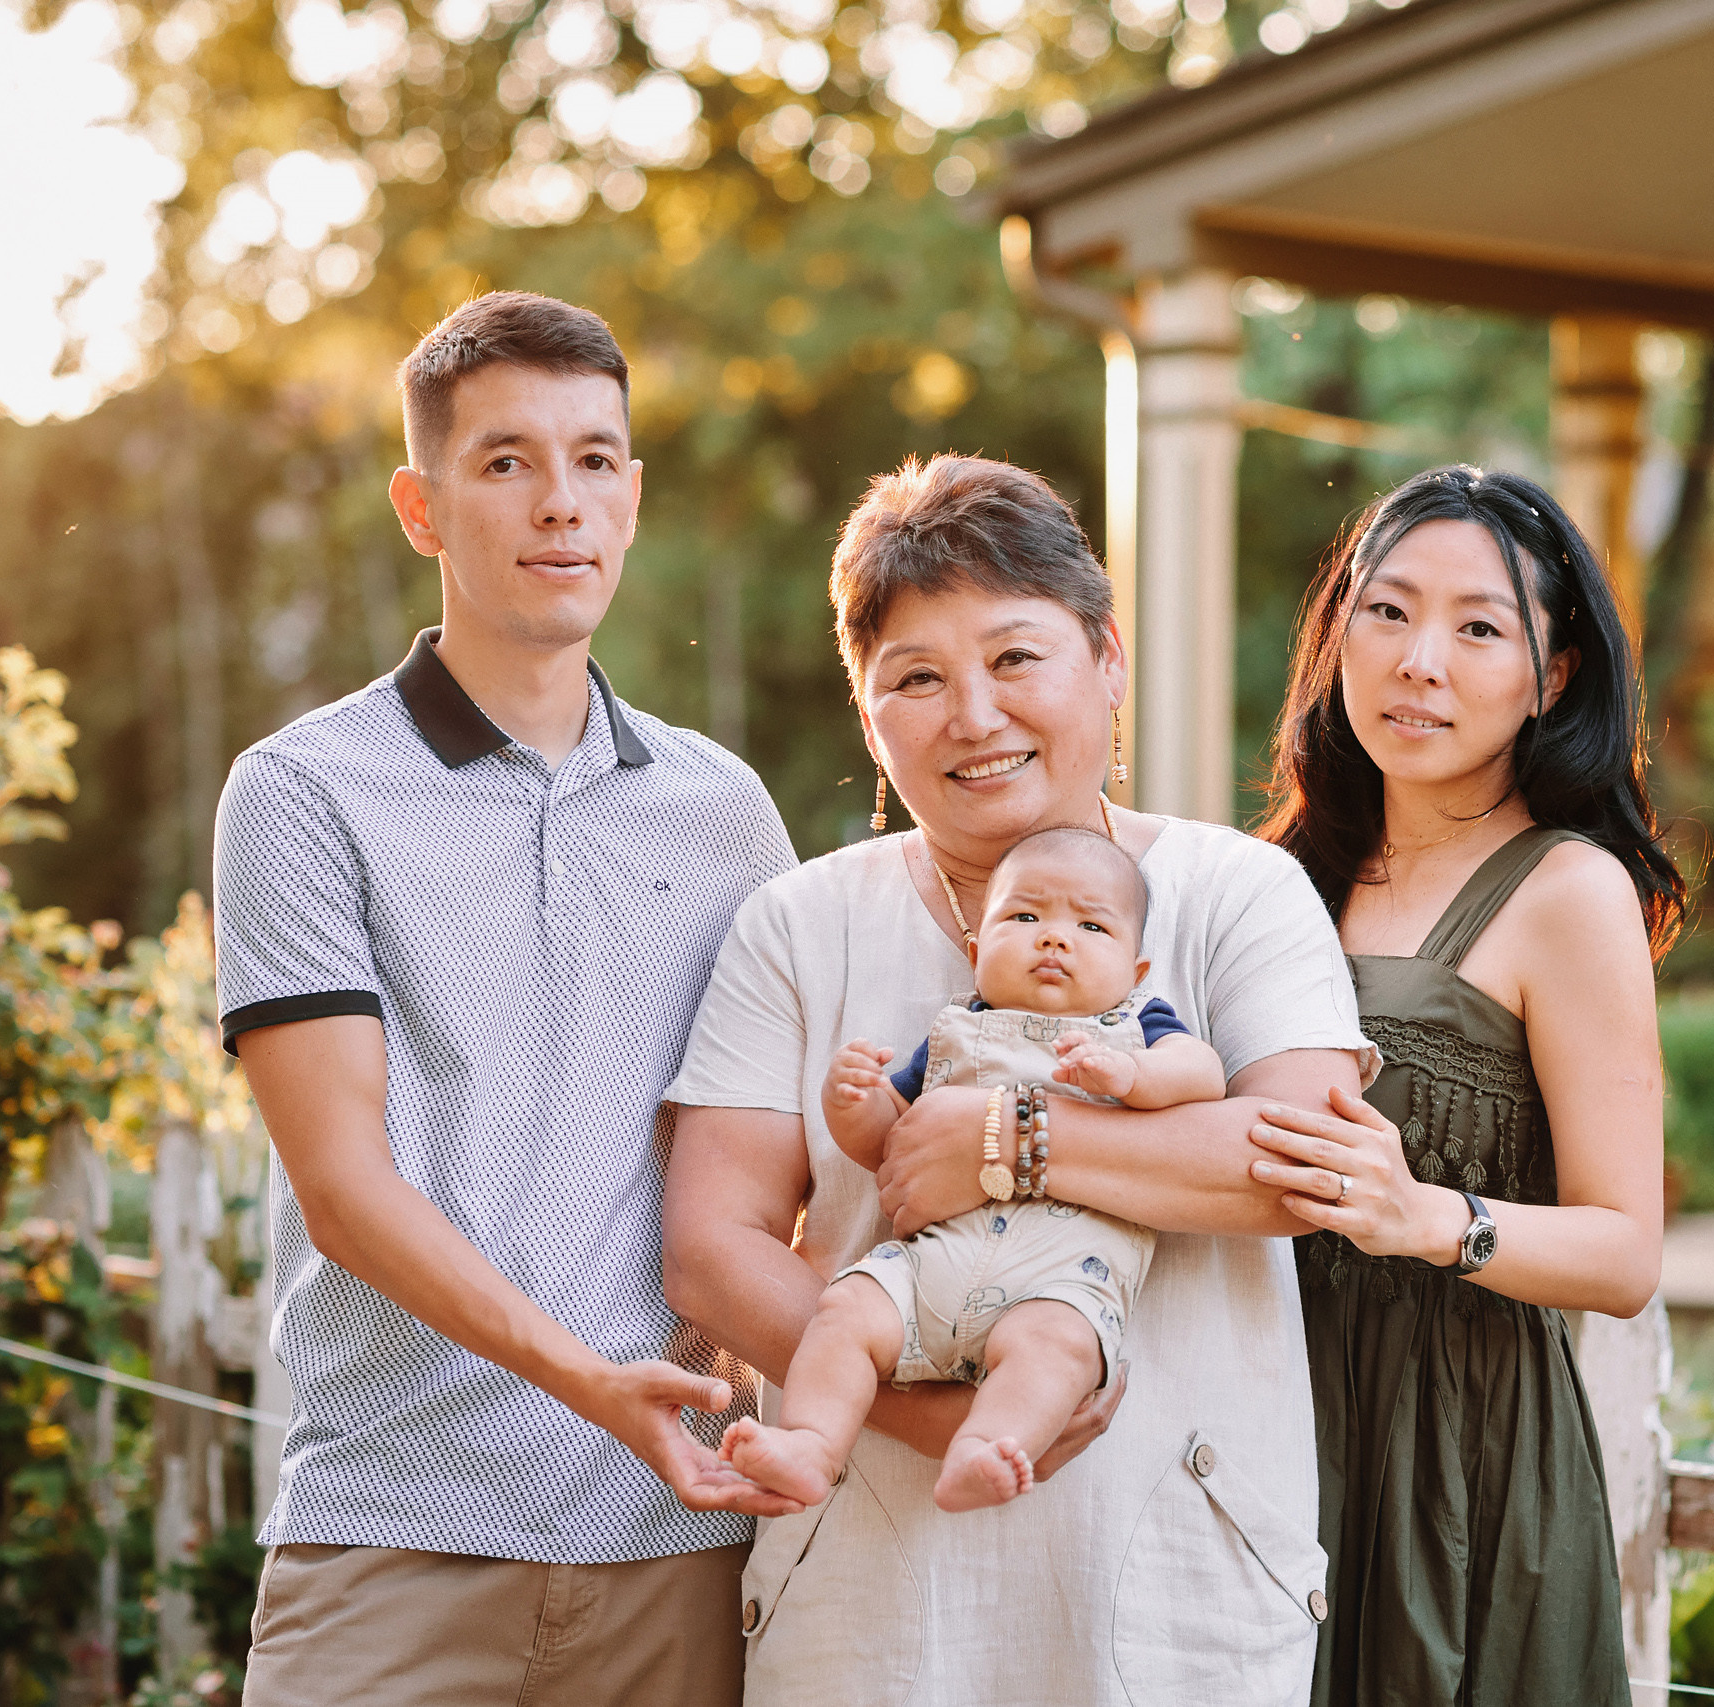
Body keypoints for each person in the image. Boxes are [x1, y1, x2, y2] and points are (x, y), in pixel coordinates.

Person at [661, 453, 1377, 1706]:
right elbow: (709, 1248)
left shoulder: (1229, 894)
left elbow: (1299, 1162)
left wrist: (1010, 1141)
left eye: (1014, 658)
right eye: (916, 679)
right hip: (871, 1588)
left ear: (1106, 659)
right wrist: (920, 1412)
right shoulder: (797, 923)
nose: (973, 715)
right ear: (867, 710)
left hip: (1176, 1574)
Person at [214, 291, 800, 1707]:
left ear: (634, 496)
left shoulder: (725, 809)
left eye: (596, 459)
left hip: (684, 1538)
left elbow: (791, 1145)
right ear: (422, 508)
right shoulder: (301, 793)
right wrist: (592, 1380)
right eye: (506, 462)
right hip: (396, 1537)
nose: (561, 504)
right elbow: (346, 1190)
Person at [1249, 465, 1686, 1707]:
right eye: (1383, 612)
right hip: (1262, 1426)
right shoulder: (1274, 881)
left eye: (1478, 627)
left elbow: (1624, 1249)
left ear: (1551, 678)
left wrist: (1429, 1218)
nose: (1417, 660)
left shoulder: (1567, 894)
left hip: (1459, 1461)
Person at [720, 824, 1227, 1513]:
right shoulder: (955, 1030)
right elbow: (888, 1146)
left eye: (1091, 924)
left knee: (1057, 1349)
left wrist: (1135, 1073)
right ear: (977, 948)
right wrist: (851, 1101)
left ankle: (981, 1445)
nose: (1054, 937)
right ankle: (811, 1444)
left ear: (1135, 969)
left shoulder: (1139, 1023)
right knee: (844, 1309)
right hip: (932, 1267)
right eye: (1025, 916)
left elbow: (1204, 1075)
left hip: (1060, 1279)